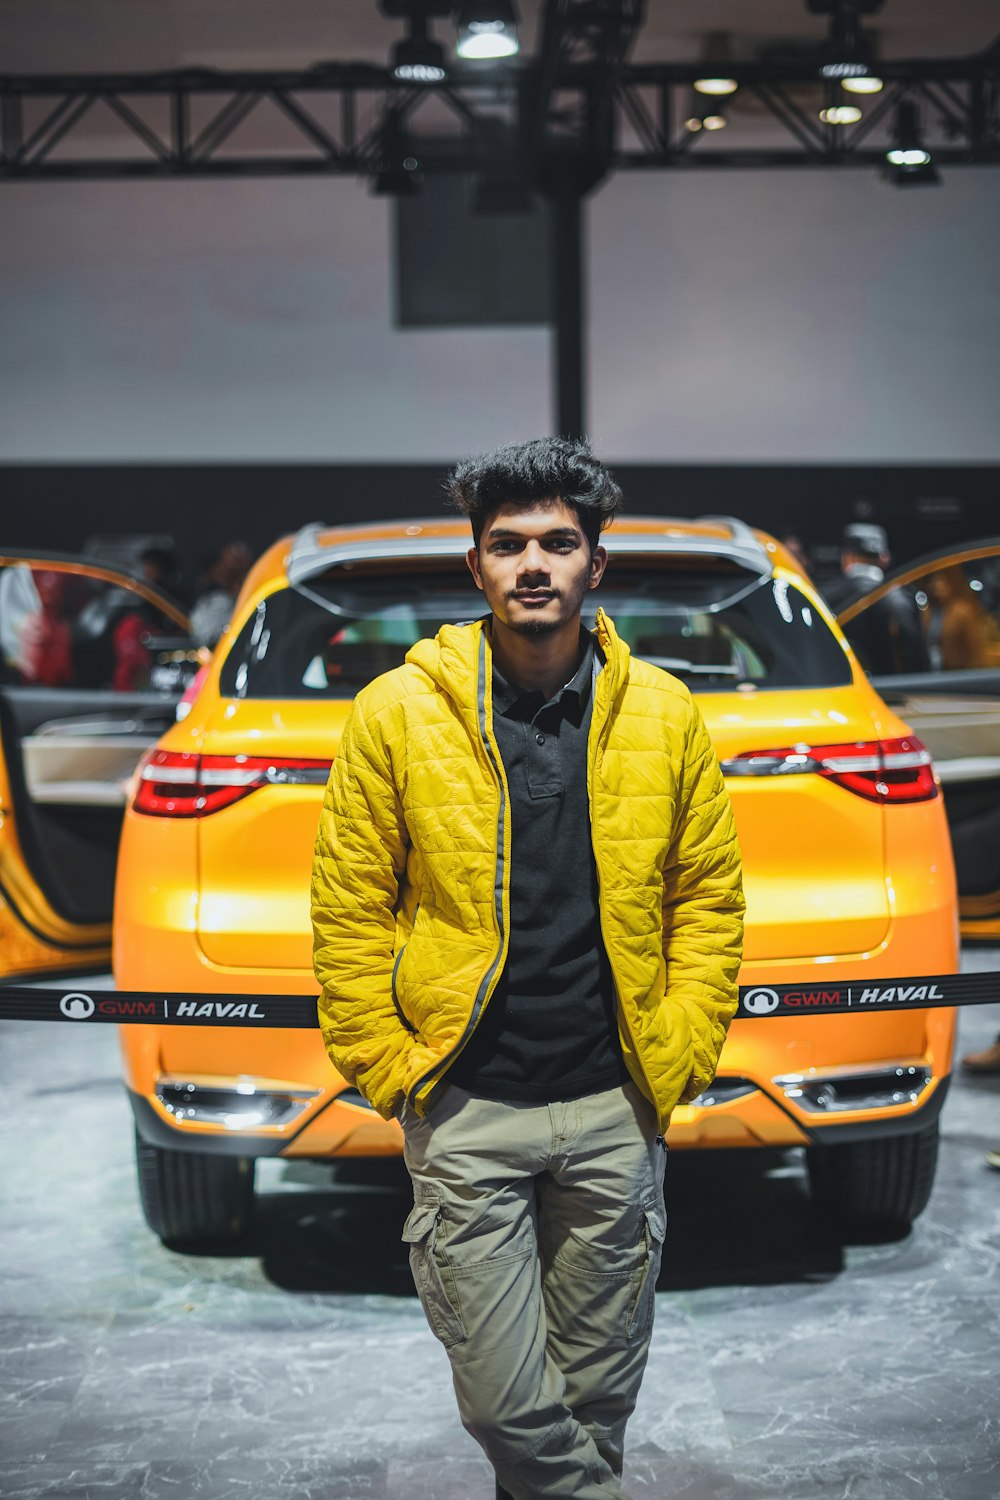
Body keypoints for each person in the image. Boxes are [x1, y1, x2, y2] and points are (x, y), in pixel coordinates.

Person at [311, 437, 745, 1500]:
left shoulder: (665, 715)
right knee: (509, 1402)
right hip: (467, 1108)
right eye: (508, 545)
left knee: (598, 1400)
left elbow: (709, 898)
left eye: (558, 542)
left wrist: (680, 1050)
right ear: (477, 568)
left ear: (596, 566)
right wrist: (389, 1062)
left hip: (613, 1100)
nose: (533, 563)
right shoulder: (397, 714)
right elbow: (348, 908)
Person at [826, 522, 929, 675]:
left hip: (843, 694)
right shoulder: (905, 599)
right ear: (884, 558)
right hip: (895, 693)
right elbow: (917, 660)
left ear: (847, 557)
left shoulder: (824, 597)